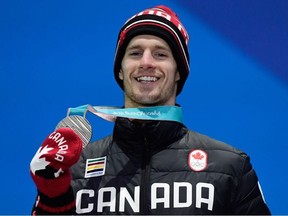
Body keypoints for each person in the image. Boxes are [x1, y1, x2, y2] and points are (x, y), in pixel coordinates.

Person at [30, 5, 271, 215]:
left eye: (160, 54)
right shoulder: (76, 168)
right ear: (121, 71)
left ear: (179, 72)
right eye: (135, 53)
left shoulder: (230, 168)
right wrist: (52, 196)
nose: (146, 62)